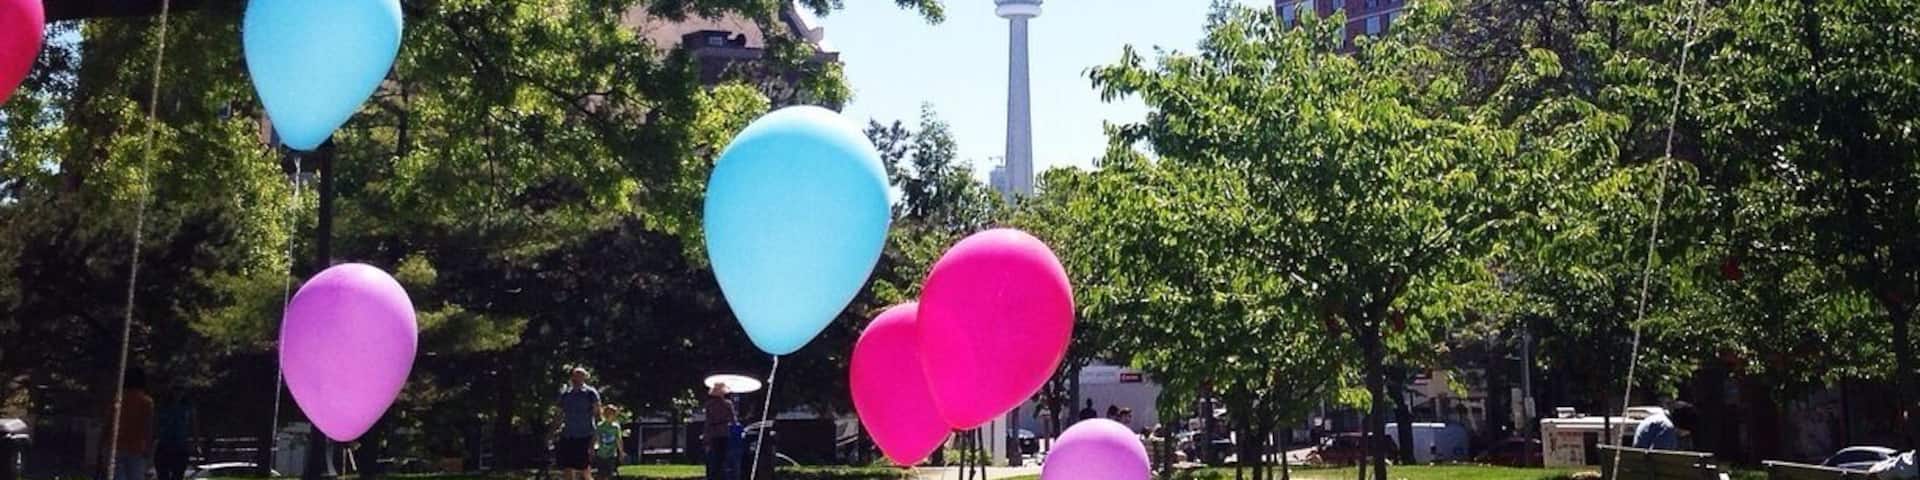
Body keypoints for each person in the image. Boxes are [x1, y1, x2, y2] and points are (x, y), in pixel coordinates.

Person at [109, 368, 155, 480]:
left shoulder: (117, 399)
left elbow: (109, 423)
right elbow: (148, 427)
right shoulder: (146, 401)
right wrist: (149, 449)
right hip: (137, 448)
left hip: (117, 446)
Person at [556, 368, 601, 480]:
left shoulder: (590, 393)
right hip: (568, 434)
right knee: (567, 467)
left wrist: (597, 436)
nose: (577, 378)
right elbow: (559, 415)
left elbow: (597, 415)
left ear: (585, 377)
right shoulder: (566, 394)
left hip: (585, 435)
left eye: (580, 375)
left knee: (584, 469)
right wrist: (551, 432)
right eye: (575, 375)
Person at [153, 385, 195, 480]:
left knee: (178, 474)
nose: (178, 394)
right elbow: (156, 423)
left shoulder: (188, 407)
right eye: (176, 391)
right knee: (163, 474)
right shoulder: (164, 406)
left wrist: (195, 442)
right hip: (165, 444)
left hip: (180, 445)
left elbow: (194, 425)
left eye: (181, 391)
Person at [1632, 402, 1698, 450]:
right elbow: (1660, 457)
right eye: (1685, 432)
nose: (1684, 435)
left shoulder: (1656, 418)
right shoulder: (1667, 428)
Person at [704, 383, 737, 480]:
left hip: (713, 433)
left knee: (714, 456)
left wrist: (706, 435)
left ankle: (714, 475)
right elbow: (733, 420)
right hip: (724, 432)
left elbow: (707, 421)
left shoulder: (709, 405)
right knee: (723, 456)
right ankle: (721, 475)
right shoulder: (728, 404)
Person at [594, 405, 624, 480]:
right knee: (601, 474)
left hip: (611, 454)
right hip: (601, 454)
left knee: (609, 474)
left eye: (612, 414)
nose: (610, 416)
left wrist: (621, 452)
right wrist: (594, 448)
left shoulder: (615, 427)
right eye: (608, 413)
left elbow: (618, 440)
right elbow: (597, 438)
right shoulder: (600, 426)